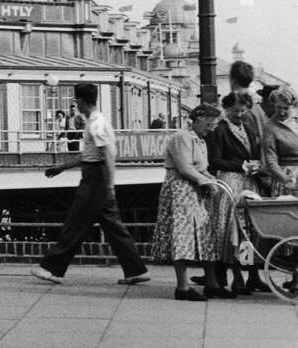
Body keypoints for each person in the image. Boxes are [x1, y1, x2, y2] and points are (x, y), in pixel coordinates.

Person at [33, 82, 149, 286]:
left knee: (75, 222)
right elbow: (89, 155)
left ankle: (53, 269)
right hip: (97, 177)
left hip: (96, 179)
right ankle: (135, 270)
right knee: (114, 228)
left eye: (75, 100)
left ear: (80, 101)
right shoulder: (98, 121)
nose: (75, 104)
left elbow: (106, 155)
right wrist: (62, 167)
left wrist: (109, 185)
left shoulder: (95, 124)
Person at [151, 104, 223, 300]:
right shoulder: (181, 137)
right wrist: (204, 181)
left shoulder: (199, 140)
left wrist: (212, 179)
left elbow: (201, 167)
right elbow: (184, 168)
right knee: (182, 235)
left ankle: (212, 283)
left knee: (205, 233)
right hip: (180, 189)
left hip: (195, 189)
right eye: (209, 124)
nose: (211, 129)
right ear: (199, 119)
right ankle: (182, 287)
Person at [206, 92, 265, 294]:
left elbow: (254, 153)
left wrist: (257, 165)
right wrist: (240, 164)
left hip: (248, 184)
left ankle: (252, 275)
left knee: (247, 231)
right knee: (232, 231)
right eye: (236, 111)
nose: (240, 114)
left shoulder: (247, 128)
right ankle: (237, 274)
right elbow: (214, 161)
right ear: (226, 109)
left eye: (243, 110)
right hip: (231, 183)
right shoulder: (219, 130)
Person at [260, 85, 298, 198]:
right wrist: (285, 178)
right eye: (278, 108)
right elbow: (270, 160)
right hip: (286, 177)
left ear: (294, 107)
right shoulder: (270, 127)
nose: (281, 112)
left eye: (286, 108)